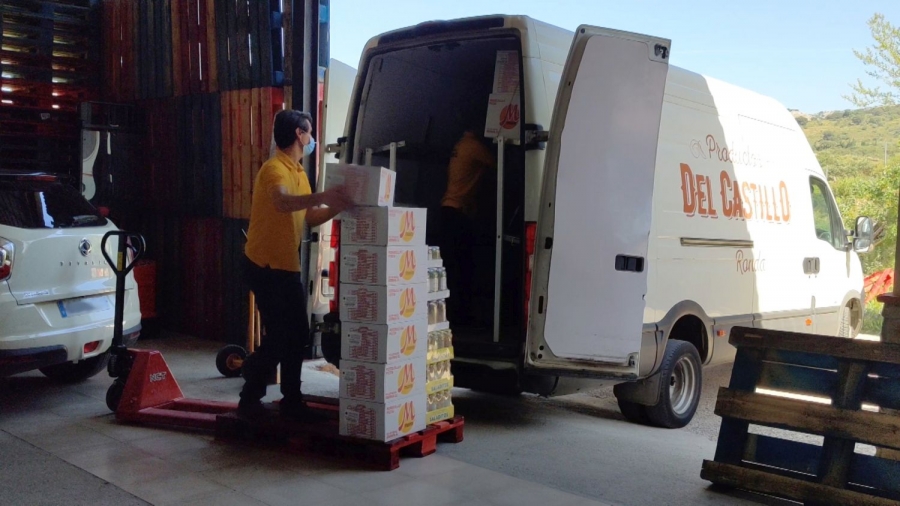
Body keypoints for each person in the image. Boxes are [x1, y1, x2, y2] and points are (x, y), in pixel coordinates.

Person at [238, 109, 353, 419]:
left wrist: (335, 207)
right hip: (263, 266)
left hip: (287, 266)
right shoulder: (274, 170)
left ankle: (291, 399)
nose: (312, 137)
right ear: (299, 135)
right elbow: (282, 203)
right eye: (310, 131)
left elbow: (308, 217)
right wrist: (323, 196)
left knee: (299, 335)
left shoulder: (299, 173)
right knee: (278, 337)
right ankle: (249, 396)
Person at [439, 123, 495, 324]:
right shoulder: (474, 146)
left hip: (448, 210)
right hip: (457, 214)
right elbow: (497, 164)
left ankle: (453, 318)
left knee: (452, 267)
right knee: (463, 268)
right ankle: (461, 319)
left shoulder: (460, 144)